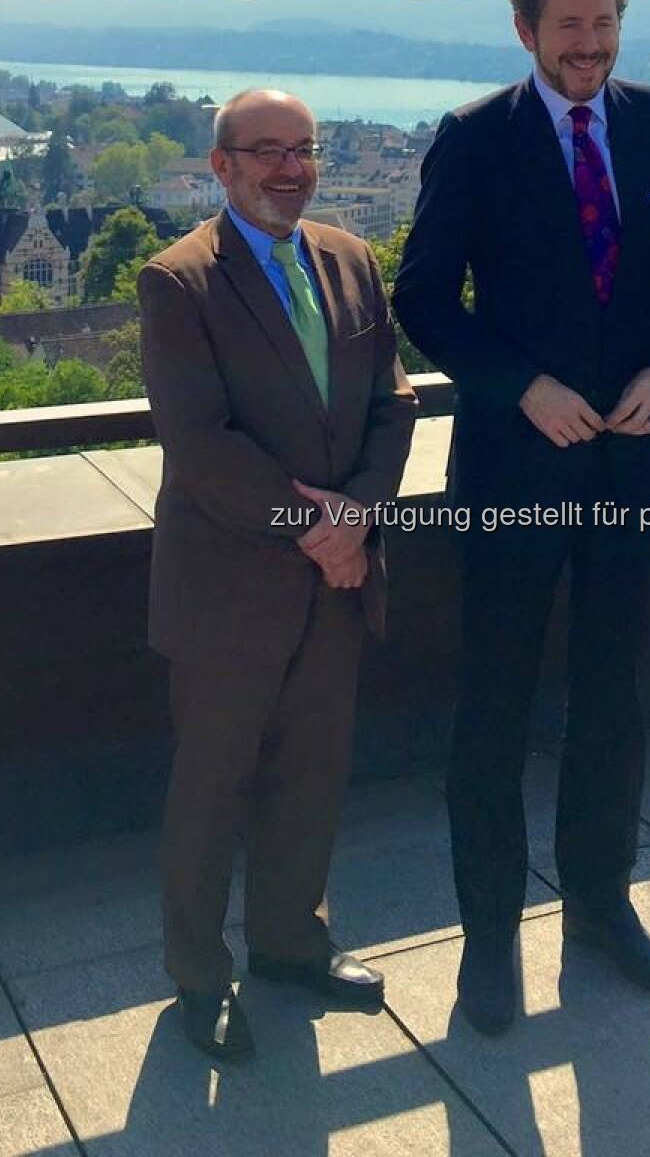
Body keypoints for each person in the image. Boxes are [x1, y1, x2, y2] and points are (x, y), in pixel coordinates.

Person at [393, 0, 650, 1033]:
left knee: (616, 697)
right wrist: (520, 385)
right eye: (568, 26)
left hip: (634, 465)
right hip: (514, 464)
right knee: (493, 702)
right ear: (527, 32)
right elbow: (425, 300)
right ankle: (489, 936)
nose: (589, 44)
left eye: (604, 23)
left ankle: (601, 908)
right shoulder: (476, 139)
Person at [139, 88, 417, 1060]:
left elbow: (394, 401)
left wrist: (362, 516)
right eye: (267, 152)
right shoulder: (178, 282)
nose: (289, 168)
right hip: (231, 589)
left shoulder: (347, 258)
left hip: (337, 581)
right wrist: (320, 525)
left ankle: (292, 942)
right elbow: (199, 442)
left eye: (305, 150)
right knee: (210, 790)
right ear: (223, 167)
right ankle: (198, 977)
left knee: (312, 773)